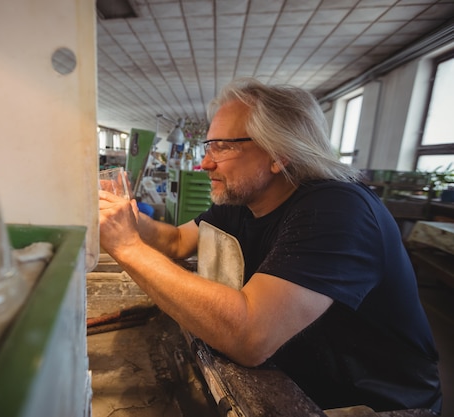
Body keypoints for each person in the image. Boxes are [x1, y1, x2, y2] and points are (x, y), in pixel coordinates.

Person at [98, 77, 442, 414]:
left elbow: (250, 337)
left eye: (223, 146)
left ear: (279, 154)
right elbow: (174, 241)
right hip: (298, 377)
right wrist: (125, 216)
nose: (205, 164)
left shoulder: (338, 210)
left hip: (371, 402)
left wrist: (128, 247)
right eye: (209, 146)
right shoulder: (241, 201)